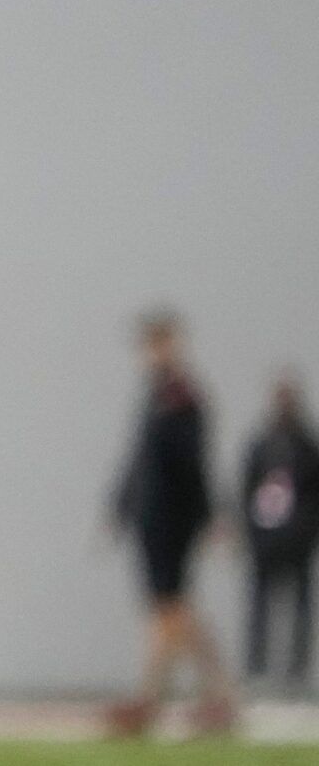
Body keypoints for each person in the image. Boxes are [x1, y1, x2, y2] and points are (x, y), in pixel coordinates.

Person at [107, 310, 237, 736]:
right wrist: (121, 506)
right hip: (153, 517)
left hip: (173, 518)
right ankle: (217, 696)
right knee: (173, 608)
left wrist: (209, 517)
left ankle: (151, 700)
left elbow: (194, 465)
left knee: (169, 608)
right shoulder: (157, 395)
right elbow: (139, 460)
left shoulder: (182, 397)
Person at [242, 376, 319, 693]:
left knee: (300, 604)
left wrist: (307, 527)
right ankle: (257, 668)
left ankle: (296, 669)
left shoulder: (307, 445)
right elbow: (246, 489)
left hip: (298, 540)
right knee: (260, 604)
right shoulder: (261, 444)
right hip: (266, 540)